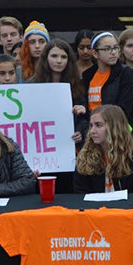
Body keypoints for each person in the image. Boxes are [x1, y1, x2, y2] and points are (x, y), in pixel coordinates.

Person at [30, 39, 88, 193]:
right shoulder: (32, 85)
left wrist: (80, 131)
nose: (59, 61)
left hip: (68, 156)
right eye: (54, 56)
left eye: (63, 57)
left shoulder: (77, 86)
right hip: (41, 158)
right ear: (45, 59)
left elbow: (85, 121)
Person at [73, 104, 133, 194]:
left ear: (114, 128)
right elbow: (80, 194)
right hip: (94, 207)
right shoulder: (85, 156)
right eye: (91, 125)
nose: (92, 131)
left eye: (98, 125)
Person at [81, 31, 133, 124]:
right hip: (93, 129)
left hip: (115, 129)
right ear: (95, 53)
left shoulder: (125, 73)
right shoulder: (87, 75)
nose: (113, 52)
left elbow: (125, 109)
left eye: (115, 48)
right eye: (107, 49)